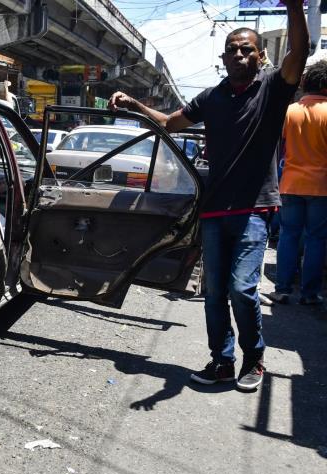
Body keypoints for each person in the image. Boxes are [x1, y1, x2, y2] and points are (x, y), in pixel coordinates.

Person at [108, 0, 308, 392]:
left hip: (255, 207)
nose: (239, 53)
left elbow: (299, 52)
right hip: (215, 208)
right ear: (223, 57)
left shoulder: (272, 87)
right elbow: (169, 122)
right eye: (232, 48)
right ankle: (222, 360)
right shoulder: (212, 97)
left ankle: (254, 358)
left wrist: (296, 6)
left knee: (241, 288)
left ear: (261, 55)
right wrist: (133, 104)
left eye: (247, 48)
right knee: (214, 291)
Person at [266, 60, 327, 306]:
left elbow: (278, 148)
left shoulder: (289, 111)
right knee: (316, 239)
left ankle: (281, 289)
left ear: (305, 83)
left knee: (288, 236)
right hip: (322, 187)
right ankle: (309, 294)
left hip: (290, 184)